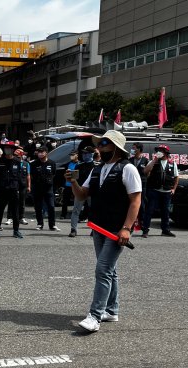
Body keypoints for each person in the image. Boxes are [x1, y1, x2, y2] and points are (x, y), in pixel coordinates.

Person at [65, 130, 141, 332]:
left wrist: (126, 228)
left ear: (116, 147)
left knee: (103, 270)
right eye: (100, 143)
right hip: (98, 227)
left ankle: (95, 316)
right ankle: (112, 310)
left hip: (117, 230)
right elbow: (82, 196)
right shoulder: (97, 170)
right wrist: (73, 181)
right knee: (109, 270)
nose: (99, 148)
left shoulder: (128, 169)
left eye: (104, 143)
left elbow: (136, 200)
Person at [142, 144, 178, 238]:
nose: (159, 152)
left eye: (161, 150)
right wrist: (154, 160)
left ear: (166, 153)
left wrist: (174, 188)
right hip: (154, 190)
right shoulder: (154, 162)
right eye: (158, 150)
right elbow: (145, 171)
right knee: (149, 210)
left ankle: (165, 230)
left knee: (165, 211)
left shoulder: (172, 163)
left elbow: (176, 177)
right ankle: (145, 230)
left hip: (166, 191)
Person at [0, 141, 24, 239]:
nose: (7, 150)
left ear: (13, 150)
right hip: (3, 189)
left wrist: (21, 188)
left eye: (9, 148)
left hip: (14, 190)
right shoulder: (1, 161)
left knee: (15, 211)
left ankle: (16, 231)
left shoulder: (17, 161)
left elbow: (20, 176)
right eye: (5, 148)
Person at [30, 146, 60, 231]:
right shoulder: (34, 164)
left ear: (46, 153)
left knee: (51, 206)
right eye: (39, 152)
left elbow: (53, 174)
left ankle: (52, 225)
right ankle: (40, 224)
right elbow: (31, 175)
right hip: (37, 188)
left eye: (42, 152)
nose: (40, 153)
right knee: (38, 207)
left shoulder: (52, 163)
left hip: (48, 188)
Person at [69, 146, 95, 237]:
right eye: (83, 153)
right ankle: (73, 229)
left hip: (92, 192)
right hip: (80, 191)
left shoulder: (96, 166)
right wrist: (74, 190)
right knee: (76, 210)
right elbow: (74, 179)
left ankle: (94, 230)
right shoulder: (78, 165)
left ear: (91, 154)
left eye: (86, 153)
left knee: (93, 211)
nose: (84, 155)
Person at [128, 143, 149, 233]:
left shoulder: (146, 160)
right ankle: (131, 226)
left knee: (142, 206)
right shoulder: (130, 160)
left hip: (141, 186)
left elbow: (148, 174)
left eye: (134, 148)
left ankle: (144, 228)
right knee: (131, 205)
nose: (132, 149)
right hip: (131, 186)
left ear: (139, 149)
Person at [61, 150, 79, 219]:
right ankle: (63, 214)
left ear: (77, 155)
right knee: (65, 201)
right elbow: (64, 174)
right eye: (70, 155)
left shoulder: (79, 164)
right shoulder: (68, 164)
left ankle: (76, 215)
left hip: (76, 185)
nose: (71, 156)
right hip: (67, 185)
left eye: (73, 155)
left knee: (76, 201)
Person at [15, 147, 31, 225]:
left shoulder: (26, 164)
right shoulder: (12, 163)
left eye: (18, 156)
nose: (17, 158)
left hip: (23, 185)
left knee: (22, 202)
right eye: (16, 156)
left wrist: (29, 186)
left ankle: (22, 217)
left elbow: (28, 175)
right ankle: (10, 218)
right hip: (14, 185)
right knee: (13, 201)